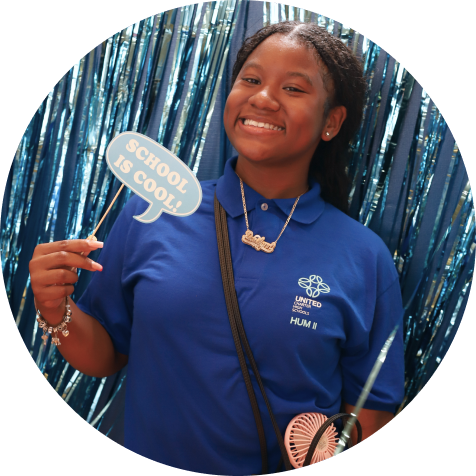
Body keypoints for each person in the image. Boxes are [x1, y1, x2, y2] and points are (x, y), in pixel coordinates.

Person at [29, 21, 404, 476]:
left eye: (292, 87)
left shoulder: (364, 257)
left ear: (332, 121)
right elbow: (107, 355)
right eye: (250, 79)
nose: (263, 97)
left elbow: (371, 411)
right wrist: (56, 309)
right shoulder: (152, 213)